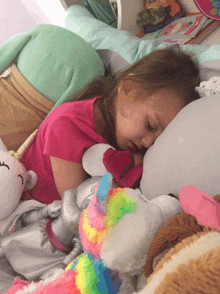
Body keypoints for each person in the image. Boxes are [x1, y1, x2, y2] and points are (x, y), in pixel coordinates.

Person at [21, 47, 200, 204]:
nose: (148, 143)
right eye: (150, 125)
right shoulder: (67, 125)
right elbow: (79, 208)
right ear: (128, 90)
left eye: (156, 140)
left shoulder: (125, 138)